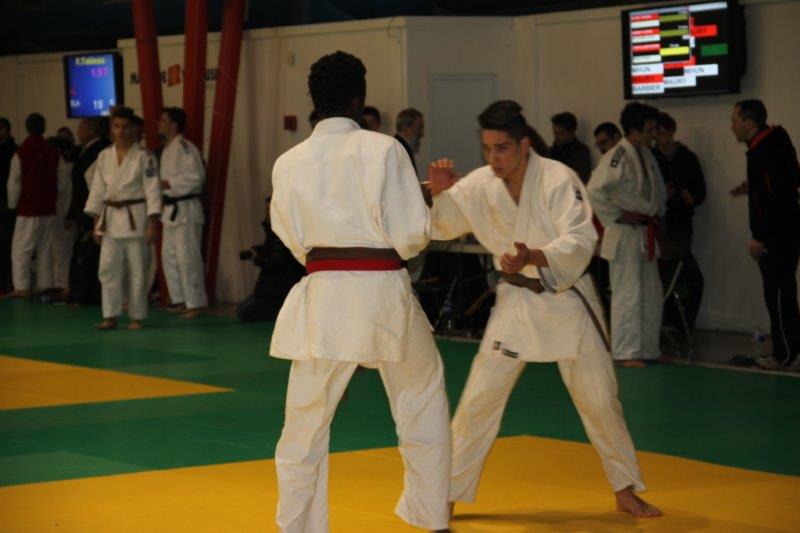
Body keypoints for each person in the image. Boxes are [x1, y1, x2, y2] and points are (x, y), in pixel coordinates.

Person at [427, 99, 660, 520]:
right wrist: (441, 193)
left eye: (501, 148)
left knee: (599, 401)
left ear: (524, 145)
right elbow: (441, 227)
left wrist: (534, 255)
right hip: (516, 303)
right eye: (486, 149)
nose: (493, 158)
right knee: (478, 401)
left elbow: (581, 239)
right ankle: (445, 495)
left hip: (566, 300)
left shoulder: (557, 178)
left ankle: (625, 488)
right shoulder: (480, 184)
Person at [269, 50, 451, 532]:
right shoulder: (385, 150)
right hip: (383, 294)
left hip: (322, 296)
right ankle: (430, 515)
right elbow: (410, 235)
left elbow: (289, 235)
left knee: (303, 425)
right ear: (358, 99)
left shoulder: (287, 163)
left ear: (313, 100)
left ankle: (297, 526)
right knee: (421, 400)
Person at [587, 102, 667, 368]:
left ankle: (648, 348)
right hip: (623, 234)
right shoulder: (618, 155)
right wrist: (617, 214)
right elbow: (594, 190)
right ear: (633, 130)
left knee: (651, 294)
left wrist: (657, 212)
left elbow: (658, 192)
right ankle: (625, 352)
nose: (654, 134)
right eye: (649, 130)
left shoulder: (646, 154)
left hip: (644, 232)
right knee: (628, 294)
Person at [730, 99, 800, 371]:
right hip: (786, 232)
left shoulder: (764, 151)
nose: (732, 127)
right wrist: (751, 186)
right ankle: (788, 350)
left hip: (778, 236)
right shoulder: (774, 142)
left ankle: (787, 355)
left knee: (779, 295)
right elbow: (782, 182)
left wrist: (761, 237)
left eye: (734, 121)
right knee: (781, 294)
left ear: (749, 123)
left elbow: (776, 198)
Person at [84, 106, 161, 330]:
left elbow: (153, 191)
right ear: (112, 128)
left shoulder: (144, 157)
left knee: (137, 270)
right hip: (109, 220)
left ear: (134, 129)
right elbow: (97, 191)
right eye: (117, 127)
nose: (121, 131)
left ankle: (137, 316)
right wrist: (96, 224)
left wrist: (153, 224)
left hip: (135, 218)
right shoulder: (104, 156)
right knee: (107, 269)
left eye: (126, 127)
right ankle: (110, 315)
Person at [652, 112, 706, 329]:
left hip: (679, 227)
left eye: (666, 134)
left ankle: (678, 322)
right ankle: (669, 321)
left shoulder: (687, 158)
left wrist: (689, 196)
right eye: (659, 135)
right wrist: (662, 194)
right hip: (658, 228)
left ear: (673, 132)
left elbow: (701, 192)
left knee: (683, 278)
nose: (663, 139)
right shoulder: (650, 158)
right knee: (672, 277)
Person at [6, 113, 68, 297]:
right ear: (44, 127)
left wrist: (12, 204)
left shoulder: (21, 153)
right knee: (45, 248)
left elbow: (14, 182)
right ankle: (44, 285)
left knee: (21, 249)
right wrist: (59, 204)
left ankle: (21, 287)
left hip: (28, 208)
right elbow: (63, 184)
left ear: (27, 128)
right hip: (48, 208)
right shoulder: (54, 153)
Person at [157, 107, 208, 318]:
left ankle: (196, 302)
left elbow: (197, 177)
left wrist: (169, 183)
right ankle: (179, 299)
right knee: (169, 256)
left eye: (163, 119)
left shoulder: (186, 147)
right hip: (171, 210)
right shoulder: (167, 148)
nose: (159, 123)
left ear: (174, 125)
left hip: (186, 210)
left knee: (188, 258)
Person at [66, 117, 109, 306]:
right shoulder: (85, 151)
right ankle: (85, 294)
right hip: (88, 209)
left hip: (94, 211)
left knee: (90, 254)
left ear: (92, 130)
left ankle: (88, 295)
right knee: (87, 254)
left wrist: (88, 214)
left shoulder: (99, 151)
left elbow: (90, 188)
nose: (78, 132)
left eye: (81, 128)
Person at [0, 117, 18, 294]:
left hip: (7, 204)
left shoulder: (13, 151)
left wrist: (12, 205)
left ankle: (8, 281)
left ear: (4, 129)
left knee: (7, 243)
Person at [549, 111, 591, 183]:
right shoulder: (551, 151)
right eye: (554, 132)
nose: (556, 137)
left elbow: (578, 181)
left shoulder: (580, 153)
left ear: (572, 132)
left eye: (560, 133)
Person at [394, 107, 424, 175]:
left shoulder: (401, 146)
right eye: (420, 127)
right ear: (406, 127)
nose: (422, 133)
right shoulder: (399, 149)